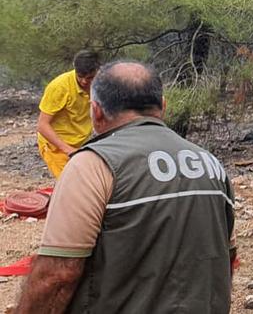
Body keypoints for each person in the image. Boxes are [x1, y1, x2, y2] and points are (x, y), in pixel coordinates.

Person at [15, 61, 236, 314]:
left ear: (96, 111)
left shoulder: (92, 165)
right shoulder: (211, 164)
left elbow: (57, 275)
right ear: (163, 106)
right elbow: (225, 260)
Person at [36, 51, 102, 178]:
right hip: (56, 147)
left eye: (89, 77)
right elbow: (42, 125)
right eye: (80, 76)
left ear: (98, 71)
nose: (84, 81)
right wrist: (67, 149)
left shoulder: (101, 84)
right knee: (71, 184)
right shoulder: (59, 87)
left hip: (80, 143)